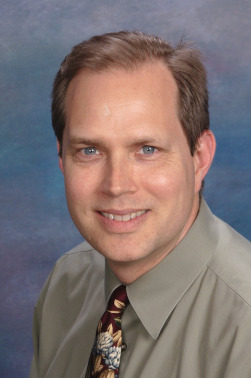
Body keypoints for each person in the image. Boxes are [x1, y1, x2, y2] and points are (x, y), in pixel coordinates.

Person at [30, 31, 251, 378]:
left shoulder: (244, 326)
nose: (116, 185)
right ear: (62, 159)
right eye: (89, 151)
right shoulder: (65, 285)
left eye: (147, 150)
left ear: (199, 158)